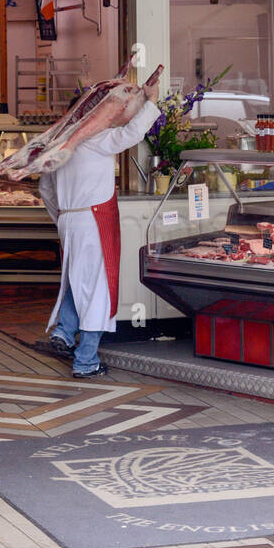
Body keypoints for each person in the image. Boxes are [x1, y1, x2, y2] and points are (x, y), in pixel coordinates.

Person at [39, 77, 161, 377]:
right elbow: (132, 133)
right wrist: (151, 101)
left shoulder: (59, 144)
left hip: (70, 219)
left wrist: (62, 218)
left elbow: (45, 188)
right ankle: (86, 361)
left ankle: (64, 333)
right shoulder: (96, 139)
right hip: (92, 220)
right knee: (98, 289)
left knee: (77, 280)